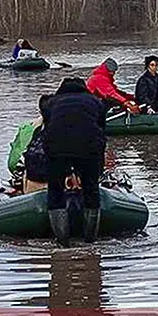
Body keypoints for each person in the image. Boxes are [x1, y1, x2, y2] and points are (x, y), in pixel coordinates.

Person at [41, 77, 107, 245]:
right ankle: (90, 240)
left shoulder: (52, 103)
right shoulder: (95, 102)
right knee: (91, 190)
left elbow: (47, 126)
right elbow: (101, 129)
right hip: (89, 148)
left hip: (58, 149)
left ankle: (63, 241)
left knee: (55, 191)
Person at [7, 94, 52, 194]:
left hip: (31, 186)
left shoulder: (28, 129)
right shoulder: (69, 132)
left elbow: (12, 164)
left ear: (40, 112)